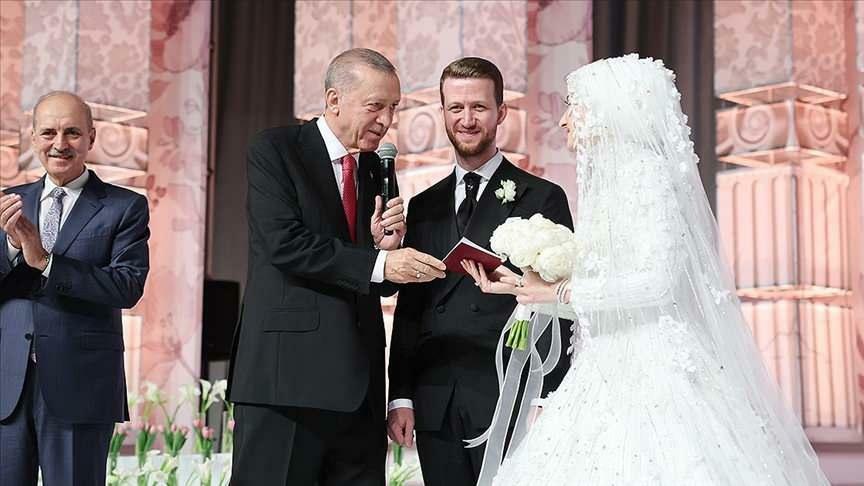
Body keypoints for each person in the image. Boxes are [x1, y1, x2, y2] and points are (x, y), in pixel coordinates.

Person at [462, 54, 830, 485]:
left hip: (654, 376)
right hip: (602, 368)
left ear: (609, 110)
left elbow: (657, 286)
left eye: (573, 106)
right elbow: (609, 303)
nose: (563, 120)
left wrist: (560, 293)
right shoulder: (612, 183)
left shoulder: (649, 178)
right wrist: (525, 289)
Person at [227, 48, 446, 485]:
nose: (386, 121)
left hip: (359, 386)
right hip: (286, 382)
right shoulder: (276, 149)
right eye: (375, 106)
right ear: (333, 100)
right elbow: (283, 243)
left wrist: (384, 246)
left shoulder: (378, 169)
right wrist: (380, 261)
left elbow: (374, 280)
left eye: (393, 108)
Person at [387, 57, 572, 486]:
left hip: (511, 394)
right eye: (456, 108)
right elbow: (411, 308)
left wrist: (550, 396)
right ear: (443, 112)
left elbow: (562, 307)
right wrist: (401, 394)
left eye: (479, 108)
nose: (467, 120)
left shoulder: (542, 197)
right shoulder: (423, 205)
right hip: (436, 398)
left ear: (501, 112)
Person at [0, 91, 150, 485]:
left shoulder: (125, 207)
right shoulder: (7, 202)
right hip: (7, 385)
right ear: (33, 138)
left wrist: (46, 262)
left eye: (72, 133)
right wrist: (14, 248)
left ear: (91, 138)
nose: (60, 144)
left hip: (80, 386)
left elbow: (127, 286)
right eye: (48, 132)